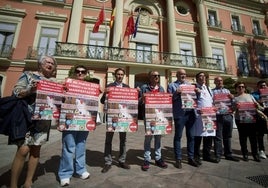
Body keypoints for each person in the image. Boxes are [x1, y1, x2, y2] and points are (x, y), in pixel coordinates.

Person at [10, 55, 57, 188]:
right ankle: (13, 185)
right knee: (23, 150)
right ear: (40, 64)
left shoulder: (53, 82)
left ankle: (28, 182)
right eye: (47, 62)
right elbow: (16, 92)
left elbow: (56, 101)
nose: (50, 64)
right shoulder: (28, 75)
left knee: (36, 150)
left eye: (52, 63)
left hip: (43, 121)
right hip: (26, 118)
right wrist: (30, 90)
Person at [58, 65, 91, 186]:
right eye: (78, 71)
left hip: (83, 119)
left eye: (83, 72)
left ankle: (80, 170)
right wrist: (61, 89)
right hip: (70, 119)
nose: (80, 73)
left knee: (81, 145)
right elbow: (59, 98)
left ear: (86, 73)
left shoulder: (89, 86)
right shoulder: (67, 84)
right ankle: (65, 174)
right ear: (74, 73)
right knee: (68, 146)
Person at [100, 68, 131, 173]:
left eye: (122, 74)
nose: (120, 76)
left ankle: (122, 161)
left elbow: (132, 102)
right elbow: (102, 101)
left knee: (123, 140)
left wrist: (138, 93)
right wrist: (105, 93)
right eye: (118, 74)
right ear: (115, 75)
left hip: (123, 118)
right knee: (108, 140)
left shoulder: (127, 88)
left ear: (124, 76)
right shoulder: (109, 86)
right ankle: (108, 162)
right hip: (111, 117)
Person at [167, 69, 199, 168]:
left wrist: (197, 93)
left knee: (191, 137)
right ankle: (178, 159)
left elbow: (195, 99)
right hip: (180, 115)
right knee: (178, 137)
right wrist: (176, 93)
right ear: (177, 75)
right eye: (181, 74)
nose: (183, 75)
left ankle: (191, 158)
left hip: (190, 114)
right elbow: (168, 99)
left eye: (184, 74)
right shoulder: (172, 85)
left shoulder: (190, 85)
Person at [140, 70, 168, 171]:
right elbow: (139, 102)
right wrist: (142, 99)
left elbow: (165, 103)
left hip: (159, 116)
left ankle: (158, 158)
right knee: (148, 138)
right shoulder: (144, 88)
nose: (157, 77)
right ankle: (147, 159)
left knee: (158, 138)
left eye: (158, 75)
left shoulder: (161, 88)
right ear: (150, 77)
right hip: (148, 116)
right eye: (154, 75)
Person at [212, 77, 239, 162]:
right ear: (215, 82)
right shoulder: (212, 91)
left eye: (221, 80)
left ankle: (228, 154)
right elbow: (210, 103)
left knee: (228, 136)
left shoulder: (227, 91)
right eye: (218, 80)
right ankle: (218, 155)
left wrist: (232, 98)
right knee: (218, 137)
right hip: (218, 116)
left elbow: (234, 103)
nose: (219, 82)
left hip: (228, 116)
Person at [194, 72, 219, 164]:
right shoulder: (194, 88)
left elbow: (211, 102)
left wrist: (214, 108)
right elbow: (190, 101)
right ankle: (196, 156)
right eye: (200, 76)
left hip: (209, 116)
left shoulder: (208, 88)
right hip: (199, 117)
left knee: (209, 136)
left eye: (204, 76)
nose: (203, 77)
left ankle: (207, 155)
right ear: (197, 78)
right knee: (198, 137)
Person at [233, 81, 260, 162]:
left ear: (244, 88)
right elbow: (232, 109)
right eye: (239, 87)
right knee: (243, 138)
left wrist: (256, 105)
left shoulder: (250, 96)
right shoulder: (234, 98)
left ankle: (255, 154)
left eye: (242, 87)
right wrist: (236, 107)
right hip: (240, 120)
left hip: (251, 119)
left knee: (253, 138)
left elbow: (257, 105)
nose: (241, 88)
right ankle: (245, 153)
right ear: (236, 89)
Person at [252, 80, 267, 159]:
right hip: (260, 117)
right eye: (261, 86)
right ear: (258, 87)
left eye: (264, 85)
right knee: (260, 135)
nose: (263, 87)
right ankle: (261, 150)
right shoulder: (254, 95)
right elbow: (252, 105)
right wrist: (259, 101)